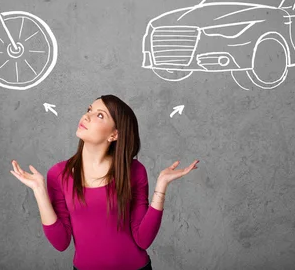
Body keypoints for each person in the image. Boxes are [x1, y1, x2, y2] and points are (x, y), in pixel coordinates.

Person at [10, 94, 199, 270]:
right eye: (89, 109)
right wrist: (39, 191)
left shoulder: (134, 171)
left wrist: (162, 186)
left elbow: (143, 239)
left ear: (114, 135)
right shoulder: (58, 174)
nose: (87, 116)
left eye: (99, 115)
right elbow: (61, 243)